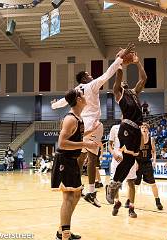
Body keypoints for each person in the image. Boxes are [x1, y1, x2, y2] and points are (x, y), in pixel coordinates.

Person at [51, 43, 135, 208]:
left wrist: (53, 105)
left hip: (81, 123)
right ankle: (90, 190)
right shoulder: (90, 85)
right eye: (88, 75)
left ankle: (77, 185)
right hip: (93, 124)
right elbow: (107, 74)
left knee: (80, 157)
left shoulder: (76, 90)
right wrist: (119, 59)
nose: (91, 76)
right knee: (92, 158)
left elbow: (62, 101)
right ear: (84, 78)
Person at [51, 89, 98, 240]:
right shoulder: (70, 118)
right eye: (82, 95)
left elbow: (75, 135)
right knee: (68, 197)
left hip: (72, 160)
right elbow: (62, 143)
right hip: (64, 160)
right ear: (78, 99)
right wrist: (85, 143)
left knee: (77, 194)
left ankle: (62, 229)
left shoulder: (79, 119)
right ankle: (65, 234)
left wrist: (90, 131)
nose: (85, 96)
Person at [105, 51, 147, 219]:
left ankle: (115, 184)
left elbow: (143, 79)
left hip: (137, 128)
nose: (122, 82)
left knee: (130, 160)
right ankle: (114, 184)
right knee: (126, 157)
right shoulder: (118, 93)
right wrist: (120, 63)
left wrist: (137, 62)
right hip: (127, 127)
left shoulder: (134, 93)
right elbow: (117, 79)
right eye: (121, 82)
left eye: (123, 81)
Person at [108, 124, 138, 218]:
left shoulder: (134, 129)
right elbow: (109, 145)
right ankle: (117, 202)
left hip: (129, 158)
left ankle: (131, 208)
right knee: (114, 183)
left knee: (131, 183)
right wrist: (113, 153)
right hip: (117, 159)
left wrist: (136, 159)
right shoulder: (114, 128)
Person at [135, 122, 163, 210]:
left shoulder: (151, 139)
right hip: (138, 162)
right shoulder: (137, 139)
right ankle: (130, 201)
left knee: (153, 183)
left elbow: (154, 151)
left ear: (148, 130)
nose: (144, 128)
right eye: (142, 127)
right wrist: (135, 162)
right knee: (135, 184)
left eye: (145, 127)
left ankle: (157, 201)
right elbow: (134, 152)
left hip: (147, 163)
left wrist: (154, 160)